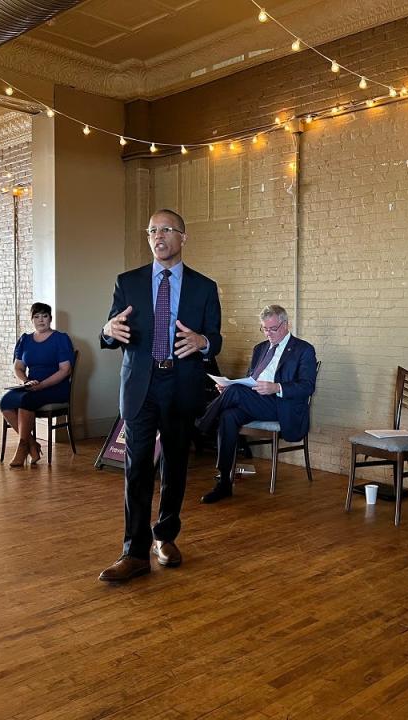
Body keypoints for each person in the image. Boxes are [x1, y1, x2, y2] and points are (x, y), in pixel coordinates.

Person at [98, 209, 222, 583]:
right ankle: (133, 552)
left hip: (181, 384)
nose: (158, 236)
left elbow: (216, 339)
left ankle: (164, 536)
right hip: (140, 385)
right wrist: (106, 331)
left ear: (183, 237)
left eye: (167, 229)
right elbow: (109, 330)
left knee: (175, 464)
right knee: (137, 469)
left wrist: (203, 342)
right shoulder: (128, 282)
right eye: (152, 230)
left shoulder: (204, 287)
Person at [195, 305, 317, 503]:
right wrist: (230, 387)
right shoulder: (260, 348)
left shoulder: (304, 349)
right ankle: (224, 483)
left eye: (272, 329)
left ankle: (201, 425)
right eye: (264, 329)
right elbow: (251, 379)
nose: (268, 333)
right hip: (256, 400)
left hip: (281, 405)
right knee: (228, 415)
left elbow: (307, 386)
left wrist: (276, 387)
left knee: (234, 393)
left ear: (285, 325)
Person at [0, 302, 74, 467]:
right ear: (32, 319)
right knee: (5, 401)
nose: (41, 320)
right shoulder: (25, 340)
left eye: (45, 316)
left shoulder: (60, 339)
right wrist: (26, 381)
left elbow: (65, 370)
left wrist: (42, 385)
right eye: (37, 316)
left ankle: (23, 446)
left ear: (50, 318)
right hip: (31, 386)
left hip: (55, 387)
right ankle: (32, 444)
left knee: (27, 401)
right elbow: (18, 367)